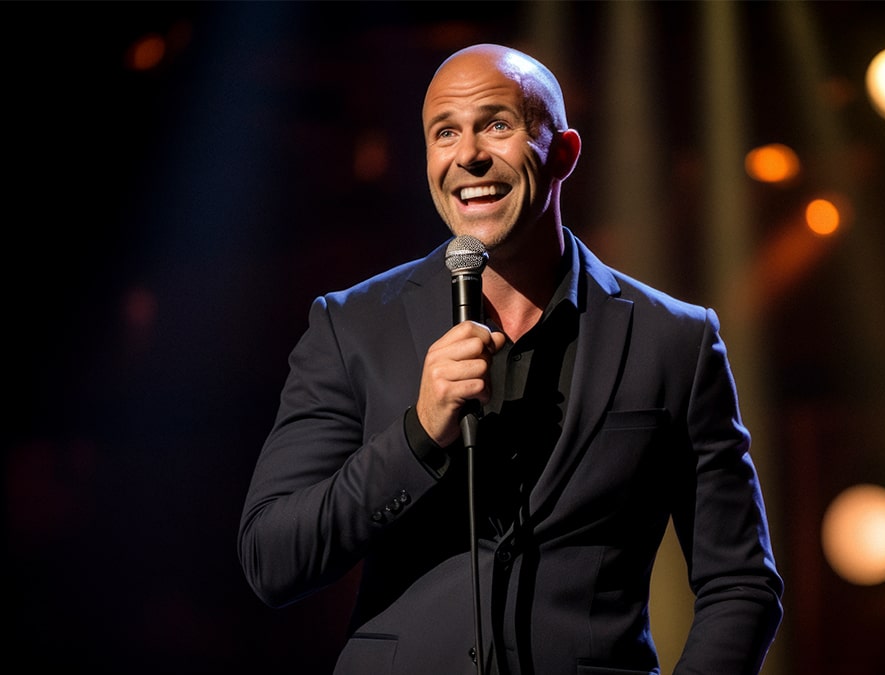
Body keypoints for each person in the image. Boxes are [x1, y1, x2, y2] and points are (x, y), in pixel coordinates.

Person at [238, 43, 783, 675]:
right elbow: (272, 560)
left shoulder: (675, 340)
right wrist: (418, 435)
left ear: (564, 153)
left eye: (496, 125)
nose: (468, 155)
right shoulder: (350, 325)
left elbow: (741, 583)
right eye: (445, 133)